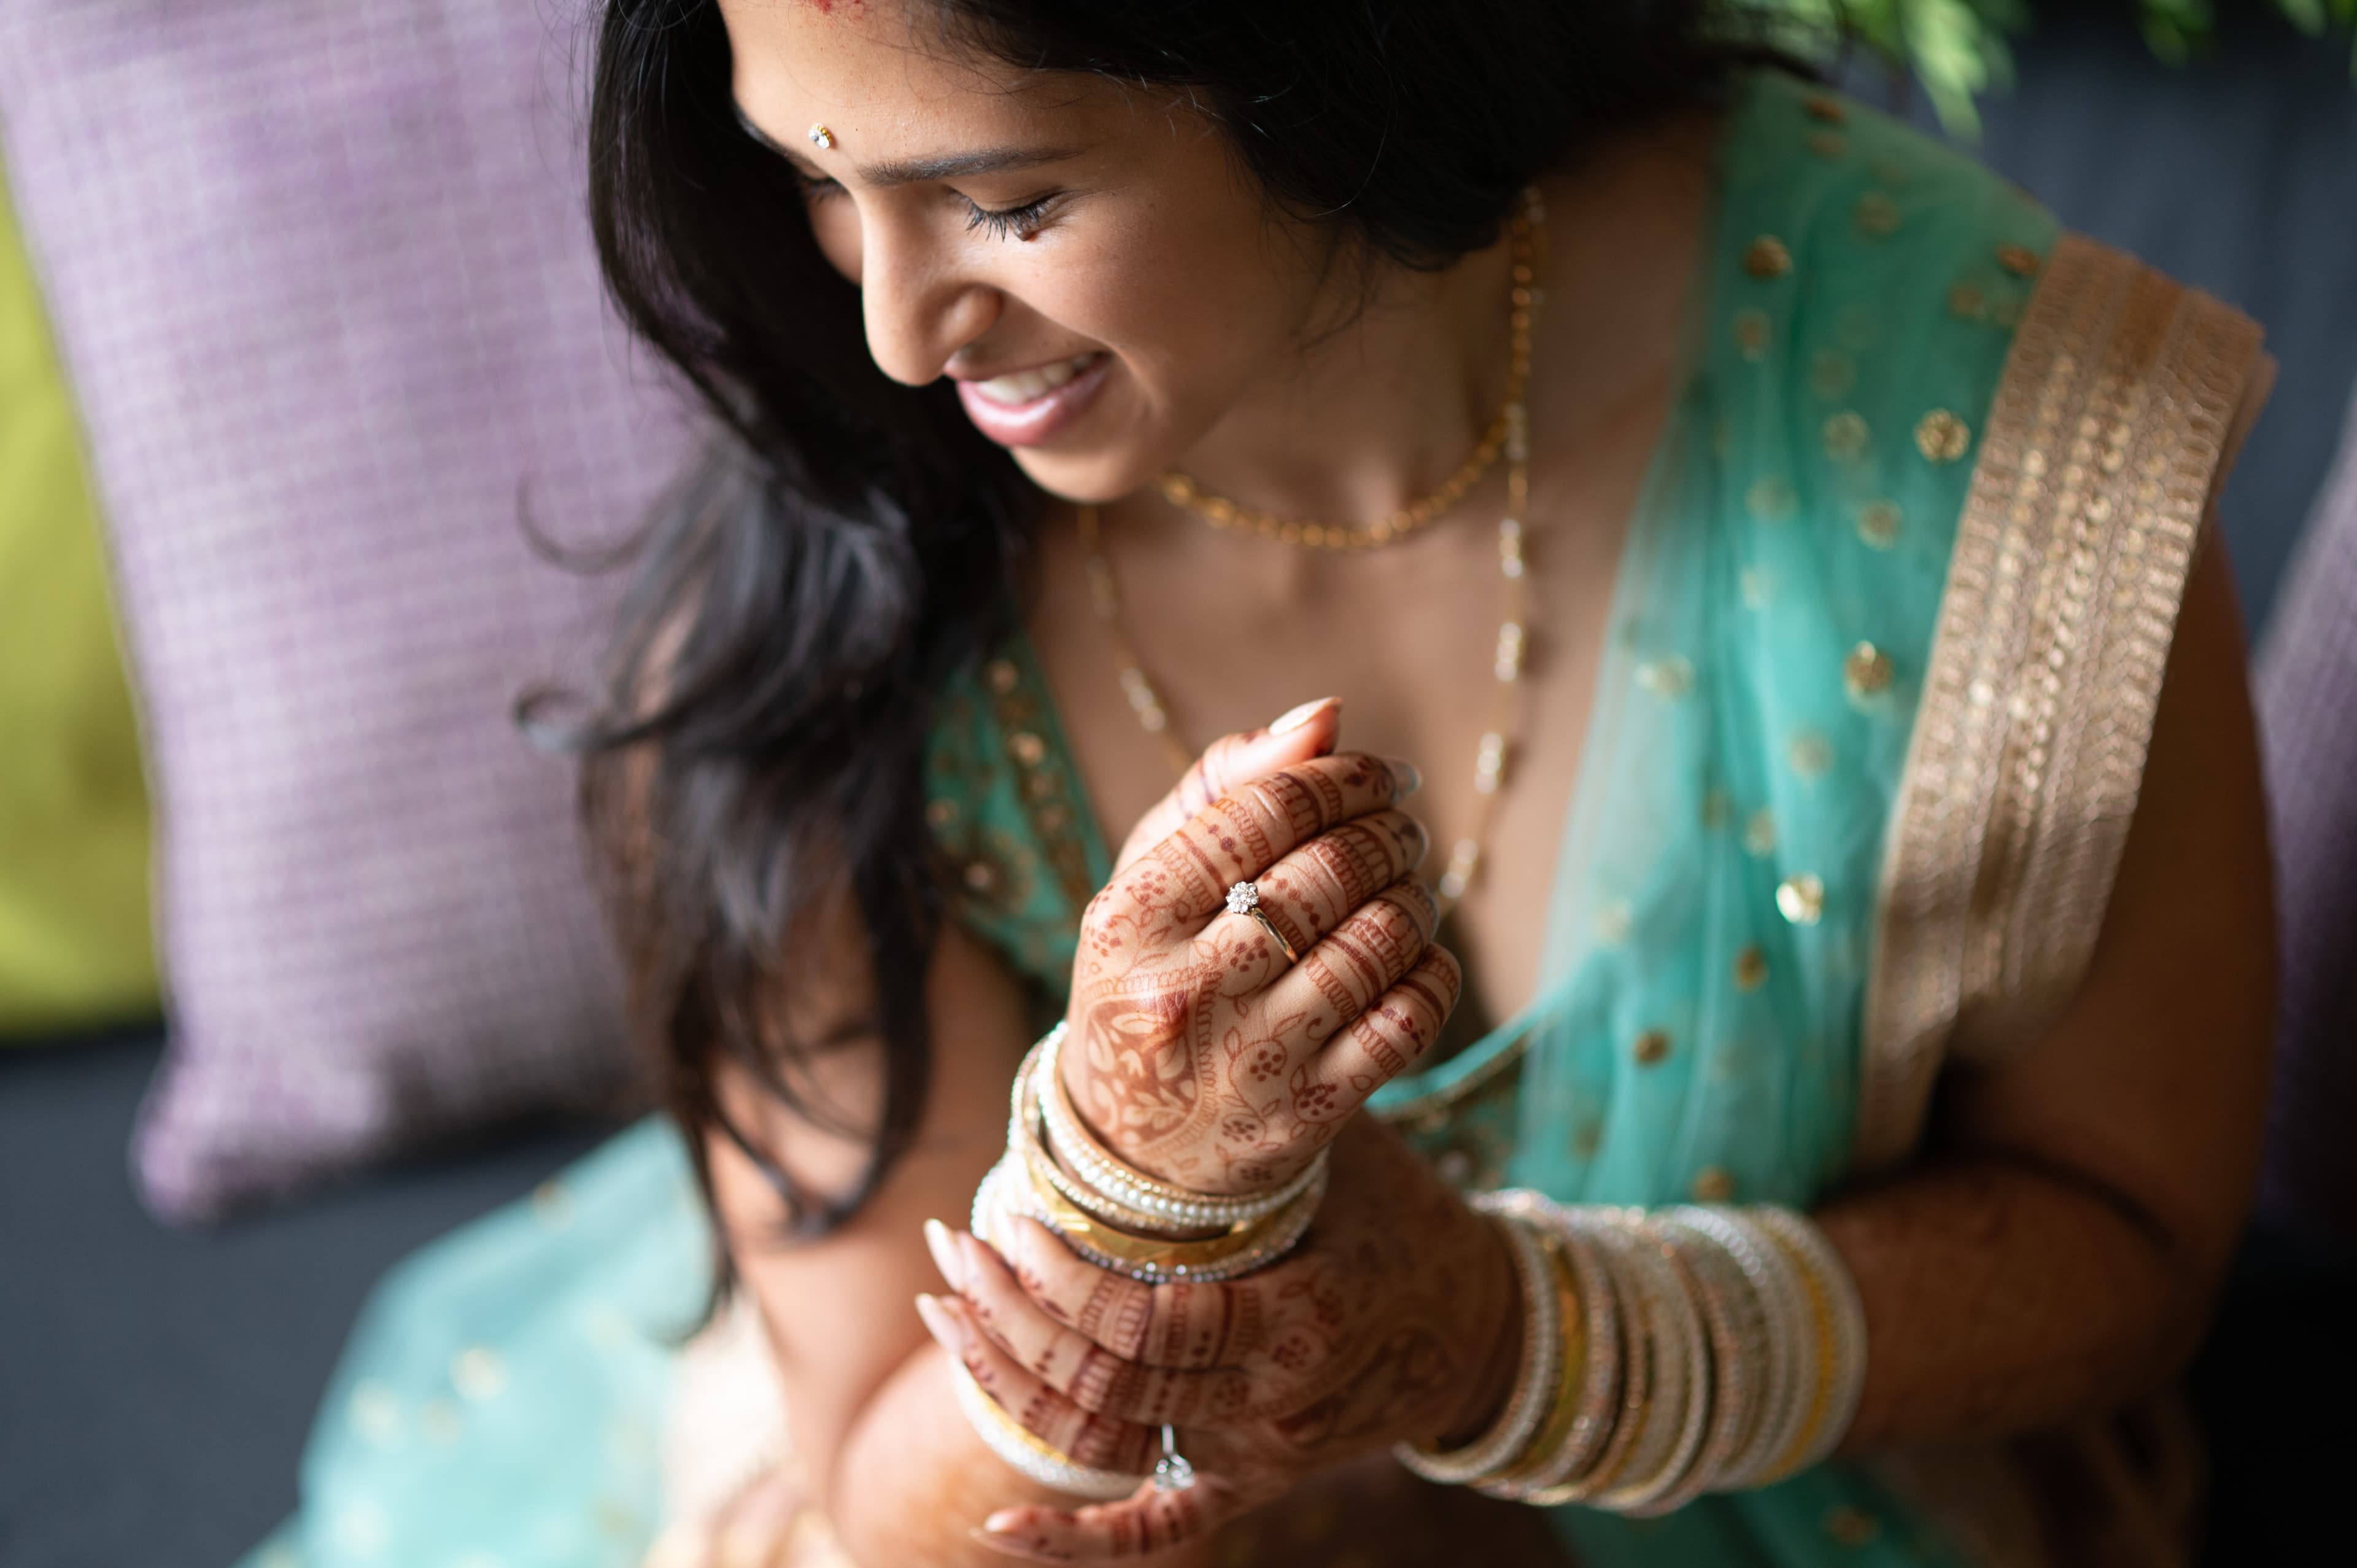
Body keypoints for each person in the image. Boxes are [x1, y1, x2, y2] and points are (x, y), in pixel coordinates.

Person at [247, 2, 2278, 1566]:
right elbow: (891, 1495)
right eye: (814, 179)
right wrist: (1124, 1208)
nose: (890, 327)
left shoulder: (1995, 442)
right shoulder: (814, 626)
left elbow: (2133, 1248)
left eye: (1012, 199)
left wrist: (1516, 1340)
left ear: (1320, 56)